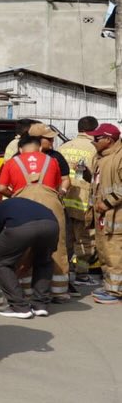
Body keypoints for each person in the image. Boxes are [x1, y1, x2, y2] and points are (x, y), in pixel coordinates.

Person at [0, 134, 69, 302]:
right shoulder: (52, 161)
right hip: (51, 203)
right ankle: (59, 291)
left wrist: (14, 195)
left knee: (23, 247)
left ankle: (25, 290)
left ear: (20, 149)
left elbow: (1, 187)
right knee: (56, 246)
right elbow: (58, 183)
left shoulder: (12, 162)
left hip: (23, 204)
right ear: (40, 148)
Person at [0, 197, 58, 319]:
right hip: (51, 225)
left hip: (23, 227)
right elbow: (28, 253)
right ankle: (40, 305)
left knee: (0, 261)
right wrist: (18, 271)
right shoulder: (10, 206)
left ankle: (19, 307)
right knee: (44, 260)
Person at [58, 115, 99, 286]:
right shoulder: (95, 149)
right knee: (85, 239)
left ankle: (64, 273)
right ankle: (82, 274)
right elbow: (96, 177)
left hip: (64, 199)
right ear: (94, 130)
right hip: (84, 202)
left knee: (65, 239)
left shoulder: (63, 147)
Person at [90, 122, 122, 304]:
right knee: (105, 252)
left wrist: (107, 202)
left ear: (108, 139)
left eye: (97, 138)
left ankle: (115, 292)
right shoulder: (101, 157)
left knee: (114, 254)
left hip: (116, 216)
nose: (93, 141)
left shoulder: (119, 157)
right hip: (103, 216)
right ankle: (110, 285)